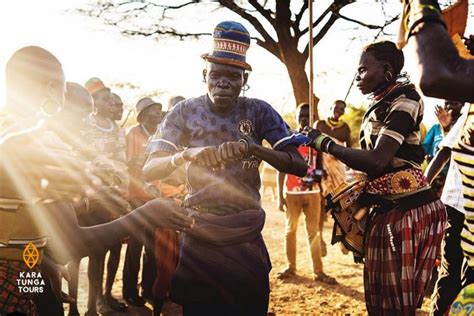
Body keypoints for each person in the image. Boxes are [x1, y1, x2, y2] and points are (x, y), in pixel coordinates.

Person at [0, 46, 193, 315]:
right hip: (14, 287)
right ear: (52, 89)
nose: (88, 121)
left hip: (27, 272)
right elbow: (71, 244)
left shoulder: (8, 130)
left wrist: (43, 266)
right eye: (80, 111)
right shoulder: (40, 142)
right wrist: (147, 214)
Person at [143, 21, 307, 315]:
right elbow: (150, 169)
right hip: (199, 232)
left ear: (244, 80)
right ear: (204, 75)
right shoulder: (185, 112)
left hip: (245, 230)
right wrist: (186, 155)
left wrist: (253, 148)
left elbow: (298, 165)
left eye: (233, 76)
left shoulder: (258, 111)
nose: (223, 82)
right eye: (216, 74)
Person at [306, 41, 446, 315]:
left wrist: (325, 144)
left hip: (409, 211)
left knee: (395, 302)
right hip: (388, 209)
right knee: (381, 299)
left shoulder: (406, 99)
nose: (358, 77)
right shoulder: (381, 103)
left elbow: (378, 159)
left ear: (386, 70)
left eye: (362, 70)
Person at [83, 78, 130, 314]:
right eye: (102, 97)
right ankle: (93, 304)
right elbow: (82, 159)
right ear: (92, 102)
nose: (108, 101)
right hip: (94, 198)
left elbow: (122, 161)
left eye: (108, 96)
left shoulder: (116, 128)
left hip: (117, 196)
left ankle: (107, 295)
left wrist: (121, 186)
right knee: (96, 252)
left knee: (115, 248)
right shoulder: (85, 125)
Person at [277, 103, 336, 284]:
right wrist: (280, 195)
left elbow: (319, 169)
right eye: (301, 115)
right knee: (290, 231)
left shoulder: (316, 141)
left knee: (314, 232)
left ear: (312, 118)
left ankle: (318, 271)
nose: (304, 119)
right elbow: (281, 167)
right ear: (296, 117)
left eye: (307, 116)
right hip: (291, 192)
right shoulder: (287, 138)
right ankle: (291, 266)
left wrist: (315, 176)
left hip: (313, 192)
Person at [424, 105, 470, 315]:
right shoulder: (469, 114)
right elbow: (444, 152)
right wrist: (422, 188)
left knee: (469, 276)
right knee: (451, 270)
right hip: (458, 203)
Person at [122, 97, 163, 306]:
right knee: (135, 246)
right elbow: (130, 164)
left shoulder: (161, 134)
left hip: (156, 197)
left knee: (153, 247)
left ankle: (148, 288)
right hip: (137, 197)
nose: (159, 113)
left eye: (159, 110)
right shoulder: (133, 134)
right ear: (144, 114)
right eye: (155, 110)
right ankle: (129, 292)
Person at [314, 100, 352, 255]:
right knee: (320, 208)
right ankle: (320, 240)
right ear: (330, 107)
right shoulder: (320, 125)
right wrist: (317, 170)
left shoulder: (345, 128)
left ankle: (343, 239)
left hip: (337, 170)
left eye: (342, 109)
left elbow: (349, 151)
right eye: (336, 108)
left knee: (339, 205)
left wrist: (338, 154)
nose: (339, 111)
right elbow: (313, 147)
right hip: (320, 169)